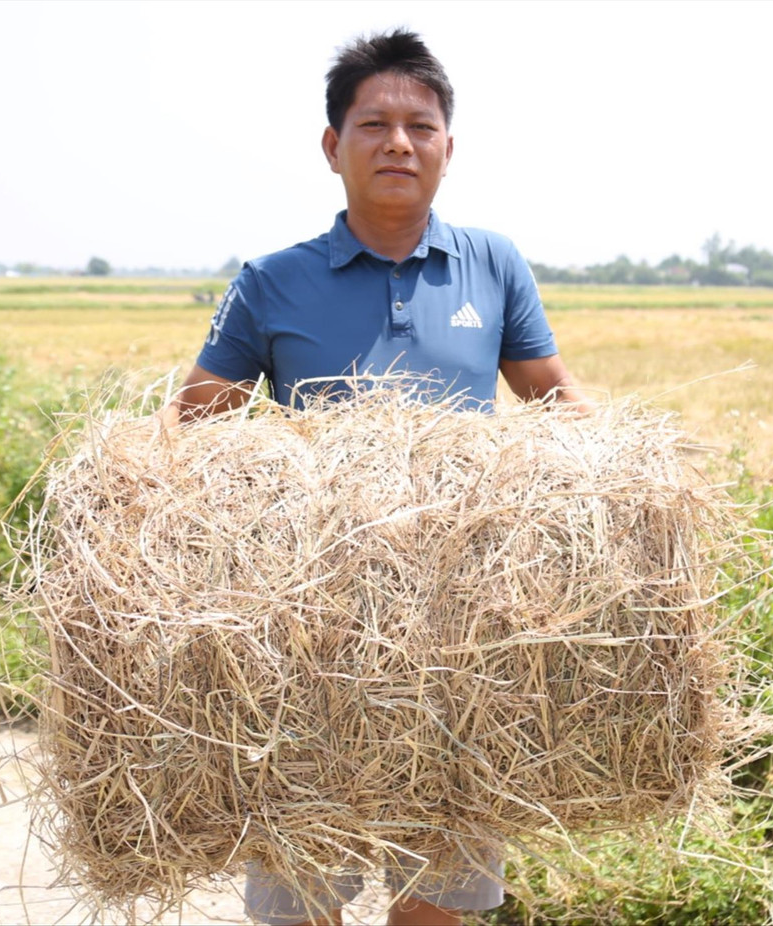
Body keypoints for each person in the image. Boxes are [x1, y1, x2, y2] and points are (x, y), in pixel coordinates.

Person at [164, 29, 592, 926]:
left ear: (447, 147)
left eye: (419, 126)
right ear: (333, 148)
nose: (399, 142)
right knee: (298, 898)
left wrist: (627, 483)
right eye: (374, 125)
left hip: (459, 640)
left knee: (441, 896)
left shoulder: (494, 263)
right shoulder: (271, 282)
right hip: (309, 640)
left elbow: (551, 398)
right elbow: (193, 417)